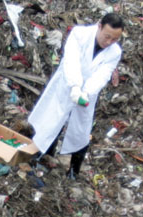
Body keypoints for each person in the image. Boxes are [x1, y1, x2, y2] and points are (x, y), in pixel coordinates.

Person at [28, 13, 124, 179]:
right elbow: (70, 61)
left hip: (87, 93)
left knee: (81, 129)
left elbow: (103, 75)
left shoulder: (115, 52)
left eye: (114, 39)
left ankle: (73, 171)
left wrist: (86, 92)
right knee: (52, 120)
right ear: (99, 26)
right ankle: (42, 155)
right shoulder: (79, 34)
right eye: (107, 36)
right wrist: (74, 86)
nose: (108, 42)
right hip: (66, 85)